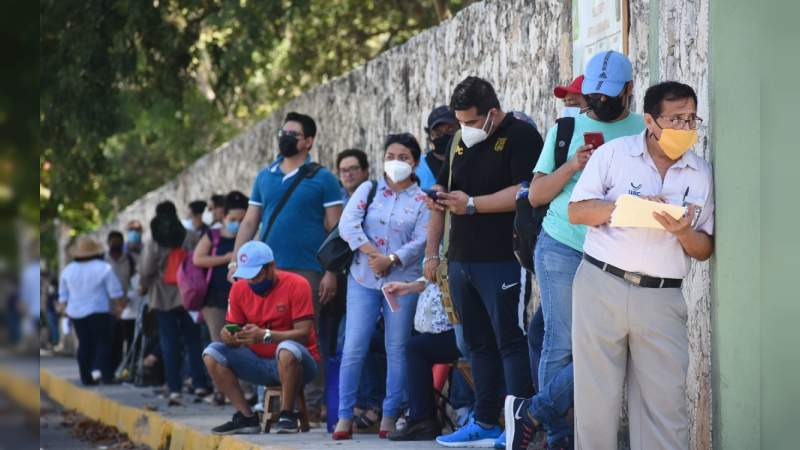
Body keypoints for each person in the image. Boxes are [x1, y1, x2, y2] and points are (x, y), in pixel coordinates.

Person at [504, 50, 645, 450]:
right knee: (560, 342)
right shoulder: (566, 127)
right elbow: (536, 196)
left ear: (629, 90)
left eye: (607, 96)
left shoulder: (642, 130)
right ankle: (561, 437)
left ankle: (533, 413)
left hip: (618, 251)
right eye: (593, 95)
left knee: (615, 341)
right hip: (563, 245)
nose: (598, 103)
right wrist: (572, 165)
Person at [564, 81, 712, 450]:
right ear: (650, 120)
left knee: (666, 408)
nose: (685, 127)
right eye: (675, 119)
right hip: (602, 284)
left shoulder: (701, 173)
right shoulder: (613, 155)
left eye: (691, 119)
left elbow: (703, 248)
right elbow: (576, 210)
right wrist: (625, 208)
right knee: (596, 404)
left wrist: (682, 232)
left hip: (661, 298)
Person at [423, 76, 542, 448]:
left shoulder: (521, 135)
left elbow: (527, 192)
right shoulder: (459, 141)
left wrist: (473, 204)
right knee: (476, 344)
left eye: (472, 122)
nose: (466, 129)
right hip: (460, 259)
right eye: (461, 122)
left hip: (504, 256)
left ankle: (519, 425)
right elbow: (442, 197)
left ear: (492, 113)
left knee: (510, 340)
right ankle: (485, 419)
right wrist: (432, 253)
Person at [231, 112, 344, 414]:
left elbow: (335, 228)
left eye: (293, 133)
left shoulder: (323, 178)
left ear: (308, 141)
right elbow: (250, 222)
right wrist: (235, 261)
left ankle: (314, 401)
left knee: (308, 334)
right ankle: (272, 399)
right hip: (264, 271)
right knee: (262, 332)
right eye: (284, 131)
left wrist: (331, 272)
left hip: (308, 270)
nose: (285, 137)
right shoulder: (264, 176)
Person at [333, 133, 430, 440]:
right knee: (353, 346)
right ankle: (344, 416)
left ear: (414, 162)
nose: (395, 162)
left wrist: (392, 259)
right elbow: (347, 225)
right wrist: (376, 255)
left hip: (401, 282)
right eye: (390, 155)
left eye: (402, 157)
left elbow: (423, 239)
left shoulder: (422, 200)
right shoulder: (368, 189)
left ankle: (389, 415)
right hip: (363, 279)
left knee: (397, 348)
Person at [203, 241, 320, 435]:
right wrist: (229, 336)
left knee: (287, 349)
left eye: (255, 276)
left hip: (299, 363)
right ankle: (246, 417)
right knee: (211, 353)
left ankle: (287, 414)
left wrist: (265, 336)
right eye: (247, 276)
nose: (252, 282)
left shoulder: (297, 284)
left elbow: (304, 334)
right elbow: (232, 327)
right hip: (257, 362)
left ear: (271, 267)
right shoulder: (239, 288)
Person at [139, 201, 210, 400]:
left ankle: (174, 387)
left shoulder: (153, 240)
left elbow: (145, 270)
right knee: (193, 340)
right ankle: (199, 383)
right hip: (190, 295)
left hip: (163, 296)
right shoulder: (191, 236)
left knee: (169, 341)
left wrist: (145, 285)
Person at [382, 278, 463, 441]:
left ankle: (422, 420)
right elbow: (432, 274)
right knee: (416, 347)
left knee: (416, 348)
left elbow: (438, 270)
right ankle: (421, 418)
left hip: (463, 331)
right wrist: (409, 287)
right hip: (445, 329)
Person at [58, 236, 124, 385]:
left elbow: (63, 296)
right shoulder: (104, 268)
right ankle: (102, 372)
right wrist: (119, 307)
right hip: (98, 310)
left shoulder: (68, 270)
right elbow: (115, 292)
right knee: (103, 342)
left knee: (84, 343)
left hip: (76, 313)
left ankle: (85, 377)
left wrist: (64, 312)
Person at [193, 191, 249, 343]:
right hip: (215, 300)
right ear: (224, 217)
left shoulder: (251, 236)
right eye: (232, 219)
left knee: (240, 341)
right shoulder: (213, 235)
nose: (237, 224)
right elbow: (198, 259)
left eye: (242, 220)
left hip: (243, 299)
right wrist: (225, 259)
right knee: (220, 343)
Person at [106, 230, 137, 373]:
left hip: (128, 307)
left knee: (129, 340)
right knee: (112, 341)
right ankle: (111, 370)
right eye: (113, 242)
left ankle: (128, 368)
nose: (116, 244)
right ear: (108, 243)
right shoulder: (103, 261)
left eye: (118, 242)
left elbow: (136, 282)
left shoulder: (131, 260)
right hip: (108, 309)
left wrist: (124, 304)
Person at [416, 105, 458, 190]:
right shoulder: (417, 166)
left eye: (450, 131)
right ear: (430, 138)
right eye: (438, 134)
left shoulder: (471, 160)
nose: (444, 136)